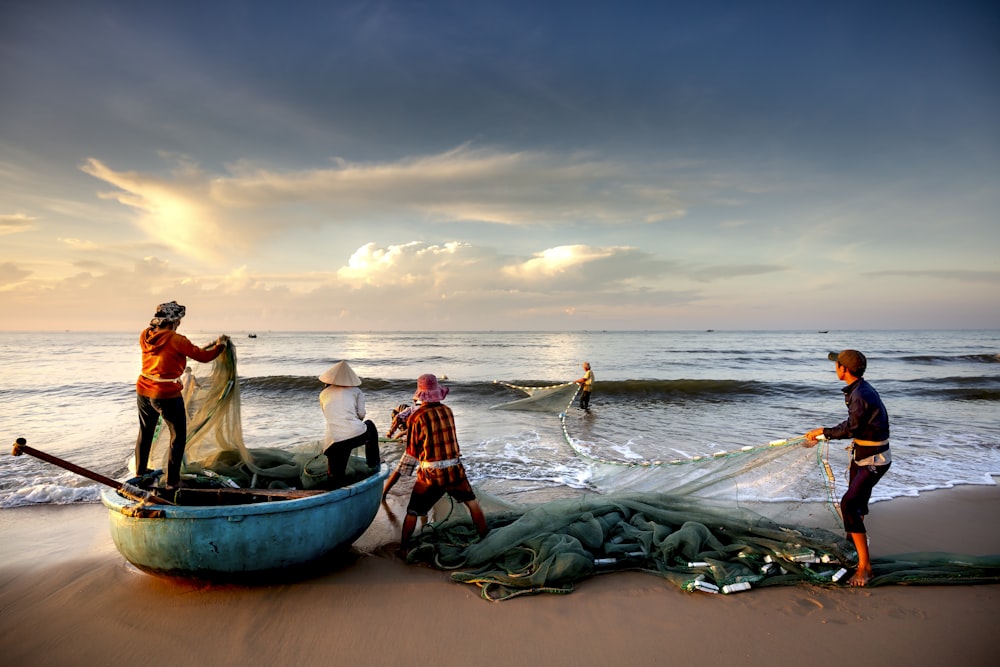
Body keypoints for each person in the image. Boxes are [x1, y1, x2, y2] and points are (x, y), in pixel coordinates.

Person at [803, 349, 891, 587]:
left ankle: (865, 567)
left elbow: (852, 427)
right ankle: (852, 550)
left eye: (837, 364)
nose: (835, 368)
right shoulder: (858, 389)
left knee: (849, 504)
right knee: (857, 504)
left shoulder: (861, 394)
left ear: (844, 370)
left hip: (874, 460)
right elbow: (857, 426)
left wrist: (824, 432)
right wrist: (825, 433)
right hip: (862, 454)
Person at [135, 300, 229, 488]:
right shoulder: (177, 340)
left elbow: (174, 353)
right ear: (173, 321)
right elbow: (203, 357)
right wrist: (220, 346)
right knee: (178, 436)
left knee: (146, 431)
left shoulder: (145, 335)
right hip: (165, 394)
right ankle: (173, 481)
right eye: (178, 320)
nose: (179, 324)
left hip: (143, 388)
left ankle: (140, 472)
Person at [399, 373, 488, 554]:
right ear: (437, 392)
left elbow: (412, 452)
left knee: (413, 511)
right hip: (454, 469)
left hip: (430, 474)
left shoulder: (416, 417)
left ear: (420, 395)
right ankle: (485, 536)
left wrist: (403, 472)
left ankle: (403, 548)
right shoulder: (447, 410)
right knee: (471, 502)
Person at [319, 360, 380, 488]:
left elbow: (329, 416)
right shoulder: (356, 391)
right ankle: (373, 463)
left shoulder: (323, 394)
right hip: (355, 435)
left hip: (332, 442)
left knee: (335, 476)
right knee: (370, 425)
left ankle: (334, 498)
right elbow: (362, 415)